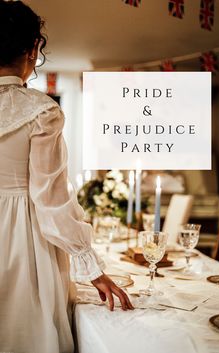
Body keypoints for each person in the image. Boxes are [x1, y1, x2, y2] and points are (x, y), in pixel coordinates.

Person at [0, 1, 133, 352]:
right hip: (21, 245)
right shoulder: (41, 111)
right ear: (33, 49)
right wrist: (91, 266)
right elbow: (51, 200)